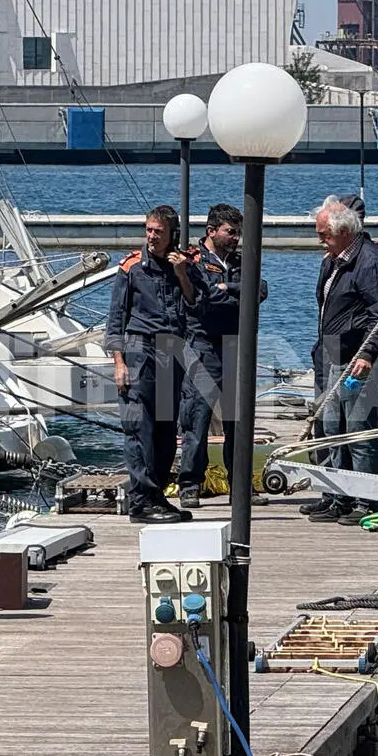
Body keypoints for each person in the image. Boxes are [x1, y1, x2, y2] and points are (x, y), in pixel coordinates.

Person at [104, 205, 205, 523]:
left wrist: (181, 274)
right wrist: (119, 363)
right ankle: (140, 500)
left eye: (158, 232)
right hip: (139, 350)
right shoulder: (131, 267)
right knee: (138, 429)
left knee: (164, 430)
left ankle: (156, 496)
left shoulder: (186, 265)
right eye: (148, 230)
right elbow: (115, 320)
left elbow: (196, 305)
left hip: (170, 352)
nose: (151, 236)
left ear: (171, 234)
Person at [302, 197, 378, 525]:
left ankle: (367, 498)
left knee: (358, 426)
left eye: (324, 234)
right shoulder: (332, 259)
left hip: (359, 355)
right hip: (332, 352)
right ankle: (336, 495)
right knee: (329, 427)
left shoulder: (369, 260)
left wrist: (369, 355)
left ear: (344, 231)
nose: (319, 240)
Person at [176, 203, 269, 509]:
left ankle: (239, 485)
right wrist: (234, 295)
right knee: (197, 417)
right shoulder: (194, 260)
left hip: (236, 345)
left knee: (238, 421)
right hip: (203, 344)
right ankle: (190, 483)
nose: (236, 238)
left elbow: (261, 290)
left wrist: (228, 286)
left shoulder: (242, 261)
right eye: (230, 232)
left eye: (239, 232)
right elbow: (204, 298)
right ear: (211, 231)